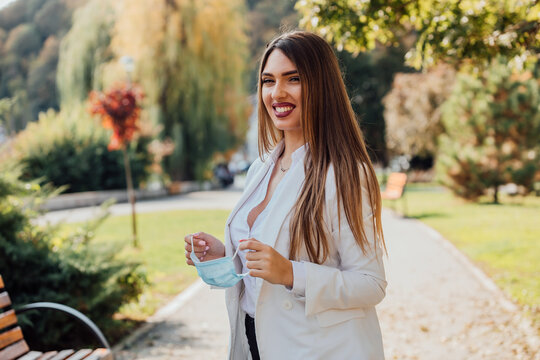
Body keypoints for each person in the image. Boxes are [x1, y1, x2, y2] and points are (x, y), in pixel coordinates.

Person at [184, 31, 387, 360]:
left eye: (293, 79)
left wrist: (292, 273)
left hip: (316, 348)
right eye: (268, 80)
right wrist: (225, 256)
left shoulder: (344, 173)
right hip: (256, 340)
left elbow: (371, 283)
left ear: (320, 86)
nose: (277, 93)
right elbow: (264, 263)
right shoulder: (261, 167)